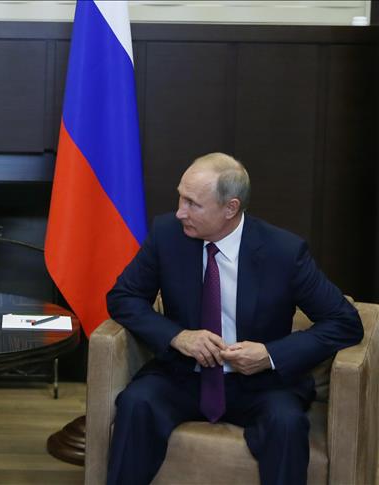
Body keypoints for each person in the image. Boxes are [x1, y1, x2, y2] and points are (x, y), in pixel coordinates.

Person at [105, 152, 363, 485]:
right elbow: (123, 297)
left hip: (260, 385)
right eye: (180, 198)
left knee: (286, 423)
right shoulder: (167, 235)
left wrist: (270, 354)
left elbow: (345, 322)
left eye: (193, 204)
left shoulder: (283, 252)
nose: (180, 211)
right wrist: (178, 336)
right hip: (183, 375)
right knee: (136, 403)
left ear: (230, 208)